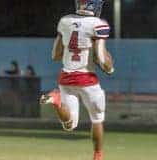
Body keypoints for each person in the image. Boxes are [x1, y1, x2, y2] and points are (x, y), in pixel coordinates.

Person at [40, 0, 114, 160]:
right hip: (87, 79)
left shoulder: (65, 21)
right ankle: (98, 155)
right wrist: (110, 68)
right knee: (97, 119)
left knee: (70, 124)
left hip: (66, 78)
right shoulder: (98, 24)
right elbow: (101, 58)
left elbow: (55, 55)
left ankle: (56, 100)